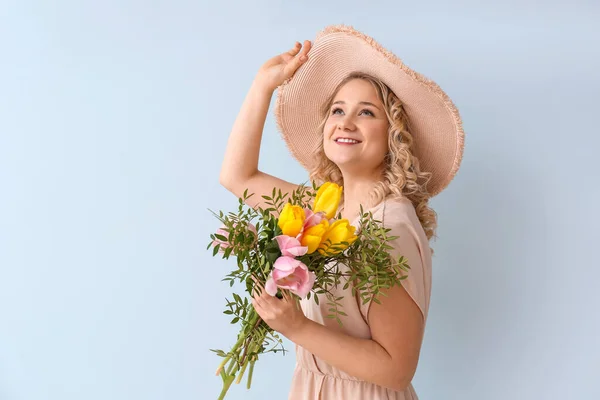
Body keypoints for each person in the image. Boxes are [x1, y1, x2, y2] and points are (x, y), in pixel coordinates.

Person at [219, 25, 464, 400]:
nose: (345, 122)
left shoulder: (390, 226)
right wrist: (262, 86)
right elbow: (238, 176)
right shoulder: (322, 209)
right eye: (337, 109)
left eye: (366, 112)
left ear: (394, 136)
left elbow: (396, 369)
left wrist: (296, 327)